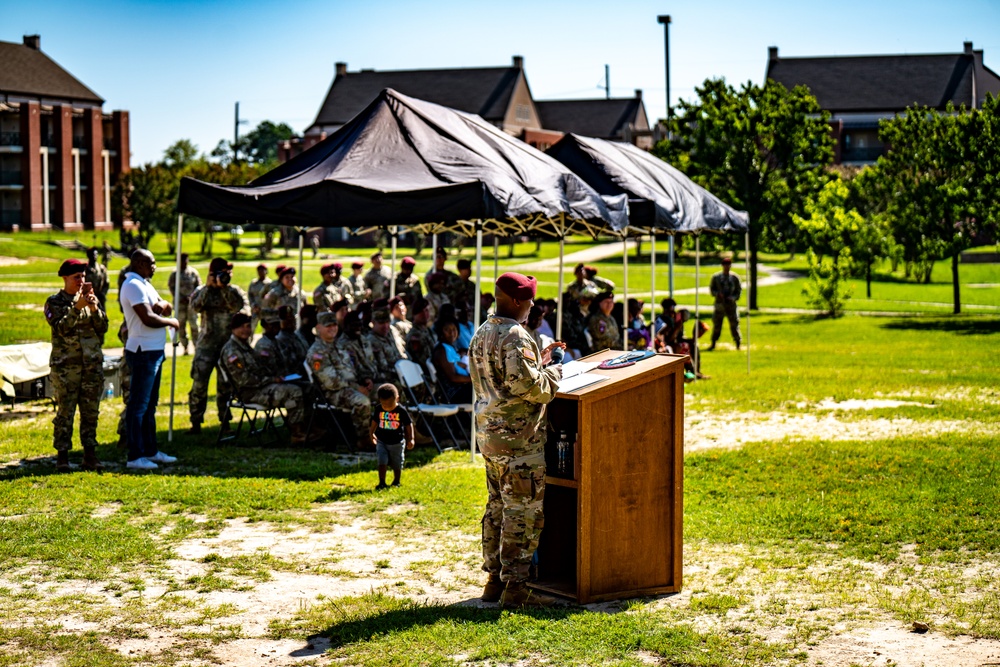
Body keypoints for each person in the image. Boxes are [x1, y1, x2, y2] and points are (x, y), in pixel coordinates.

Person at [468, 272, 565, 609]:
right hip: (518, 442)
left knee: (496, 508)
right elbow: (530, 389)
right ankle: (517, 588)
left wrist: (539, 361)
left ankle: (494, 581)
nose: (533, 306)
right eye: (530, 300)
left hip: (490, 437)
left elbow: (503, 376)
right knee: (521, 513)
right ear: (517, 302)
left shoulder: (482, 331)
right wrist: (554, 372)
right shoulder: (514, 335)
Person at [45, 258, 109, 472]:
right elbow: (61, 328)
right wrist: (76, 308)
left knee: (91, 411)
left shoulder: (90, 299)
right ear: (65, 278)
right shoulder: (54, 302)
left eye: (83, 276)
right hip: (66, 368)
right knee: (66, 412)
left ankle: (89, 455)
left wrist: (93, 309)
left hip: (91, 366)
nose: (81, 281)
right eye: (76, 277)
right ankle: (62, 456)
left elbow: (103, 328)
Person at [119, 249, 180, 470]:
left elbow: (164, 305)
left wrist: (165, 307)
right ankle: (135, 456)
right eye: (150, 263)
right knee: (138, 405)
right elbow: (146, 318)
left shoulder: (144, 283)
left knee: (150, 405)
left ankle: (150, 451)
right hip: (143, 350)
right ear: (138, 263)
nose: (154, 266)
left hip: (154, 350)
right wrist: (171, 322)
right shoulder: (133, 285)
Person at [221, 313, 320, 444]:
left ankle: (309, 427)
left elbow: (260, 369)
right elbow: (244, 380)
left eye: (248, 326)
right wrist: (272, 380)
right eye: (242, 327)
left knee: (307, 388)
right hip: (249, 393)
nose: (246, 330)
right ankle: (297, 433)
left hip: (261, 387)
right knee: (293, 391)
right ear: (233, 329)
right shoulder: (232, 351)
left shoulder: (244, 347)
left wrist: (277, 378)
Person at [188, 257, 249, 435]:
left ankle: (225, 421)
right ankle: (196, 422)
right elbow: (195, 307)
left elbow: (239, 307)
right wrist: (208, 287)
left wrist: (225, 289)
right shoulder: (202, 290)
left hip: (227, 345)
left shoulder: (234, 291)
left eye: (228, 273)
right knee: (199, 384)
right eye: (222, 273)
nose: (226, 276)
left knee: (226, 386)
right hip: (206, 345)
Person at [307, 312, 373, 449]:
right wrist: (356, 387)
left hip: (353, 387)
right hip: (334, 393)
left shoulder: (341, 345)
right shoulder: (317, 352)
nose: (332, 328)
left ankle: (386, 432)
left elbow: (356, 367)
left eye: (334, 325)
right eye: (328, 326)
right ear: (318, 328)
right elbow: (331, 382)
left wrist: (366, 379)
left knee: (386, 393)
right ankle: (364, 438)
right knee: (362, 402)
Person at [369, 383, 414, 490]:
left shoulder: (401, 411)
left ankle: (396, 481)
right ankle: (382, 482)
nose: (387, 408)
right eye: (384, 405)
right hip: (382, 441)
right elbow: (375, 421)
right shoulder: (379, 409)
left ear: (397, 399)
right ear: (380, 400)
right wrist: (371, 433)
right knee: (382, 460)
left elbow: (408, 424)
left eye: (390, 405)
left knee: (397, 462)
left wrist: (411, 438)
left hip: (397, 442)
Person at [167, 253, 202, 355]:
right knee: (181, 326)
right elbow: (171, 287)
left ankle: (196, 346)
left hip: (191, 304)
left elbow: (198, 287)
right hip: (180, 304)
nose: (184, 263)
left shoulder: (193, 273)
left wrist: (192, 297)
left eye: (186, 260)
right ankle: (185, 346)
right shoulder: (174, 274)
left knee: (194, 325)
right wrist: (179, 297)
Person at [432, 318, 472, 404]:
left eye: (454, 329)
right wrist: (473, 379)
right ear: (441, 332)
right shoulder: (441, 350)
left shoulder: (450, 347)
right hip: (453, 392)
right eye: (447, 330)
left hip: (462, 386)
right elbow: (453, 377)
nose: (452, 333)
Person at [368, 303, 408, 387]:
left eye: (387, 322)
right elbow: (383, 367)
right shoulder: (371, 340)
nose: (386, 326)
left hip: (403, 370)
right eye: (381, 323)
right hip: (388, 377)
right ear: (373, 323)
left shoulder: (392, 331)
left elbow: (403, 352)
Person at [708, 256, 743, 351]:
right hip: (720, 305)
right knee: (717, 325)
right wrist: (717, 294)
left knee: (734, 325)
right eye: (725, 265)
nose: (727, 267)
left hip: (731, 305)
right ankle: (713, 342)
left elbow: (739, 290)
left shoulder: (734, 278)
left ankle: (738, 343)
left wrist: (733, 298)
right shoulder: (716, 277)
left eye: (728, 265)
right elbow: (712, 289)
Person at [337, 310, 378, 386]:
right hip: (362, 383)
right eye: (354, 325)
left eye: (359, 325)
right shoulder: (342, 345)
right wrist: (367, 379)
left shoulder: (363, 339)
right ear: (346, 326)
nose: (358, 328)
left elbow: (372, 361)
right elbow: (354, 369)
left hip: (375, 377)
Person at [405, 297, 436, 372]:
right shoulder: (415, 336)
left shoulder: (427, 330)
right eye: (420, 312)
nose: (424, 314)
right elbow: (423, 360)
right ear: (414, 315)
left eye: (426, 310)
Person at [277, 305, 309, 376]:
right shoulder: (281, 339)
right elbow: (290, 363)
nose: (291, 321)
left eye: (292, 318)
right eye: (287, 319)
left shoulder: (297, 336)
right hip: (293, 375)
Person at [253, 310, 286, 377]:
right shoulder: (263, 345)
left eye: (277, 324)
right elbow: (268, 370)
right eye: (272, 325)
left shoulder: (277, 341)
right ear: (264, 325)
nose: (276, 327)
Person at [84, 247, 110, 313]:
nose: (94, 256)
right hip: (87, 298)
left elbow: (106, 283)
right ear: (88, 255)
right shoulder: (84, 269)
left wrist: (103, 293)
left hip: (100, 298)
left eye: (96, 254)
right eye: (93, 254)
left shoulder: (101, 268)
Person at [247, 264, 271, 333]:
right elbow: (250, 295)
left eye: (263, 270)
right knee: (251, 327)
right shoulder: (254, 283)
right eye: (259, 270)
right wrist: (253, 305)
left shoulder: (269, 284)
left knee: (267, 329)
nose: (261, 272)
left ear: (266, 271)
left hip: (265, 310)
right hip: (255, 309)